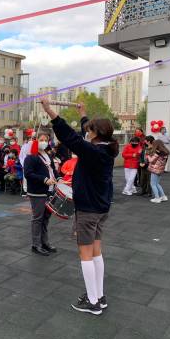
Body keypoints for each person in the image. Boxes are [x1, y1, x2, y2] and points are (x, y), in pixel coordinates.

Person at [40, 97, 118, 316]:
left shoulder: (93, 152)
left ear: (95, 133)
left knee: (85, 255)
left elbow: (71, 137)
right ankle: (99, 297)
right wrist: (83, 114)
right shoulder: (105, 148)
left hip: (89, 210)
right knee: (95, 253)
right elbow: (83, 133)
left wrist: (50, 112)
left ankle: (93, 302)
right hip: (101, 209)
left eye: (89, 130)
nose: (87, 132)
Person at [24, 132, 59, 256]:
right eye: (41, 139)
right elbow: (28, 174)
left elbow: (53, 170)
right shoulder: (31, 156)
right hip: (37, 192)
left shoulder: (47, 155)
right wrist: (44, 180)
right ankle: (36, 245)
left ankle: (44, 242)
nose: (44, 142)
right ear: (36, 141)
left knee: (45, 219)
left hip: (49, 191)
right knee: (38, 218)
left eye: (46, 140)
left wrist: (59, 179)